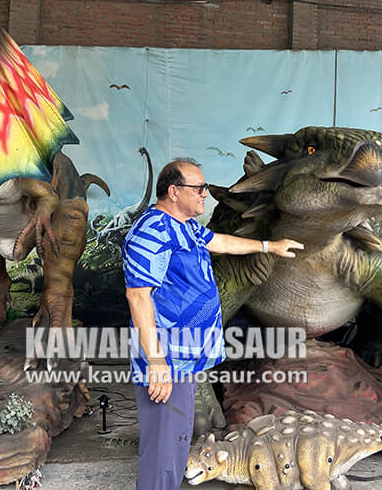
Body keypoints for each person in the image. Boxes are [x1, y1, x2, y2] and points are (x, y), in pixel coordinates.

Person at [122, 158, 304, 490]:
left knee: (176, 440)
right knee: (162, 449)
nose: (206, 193)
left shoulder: (186, 226)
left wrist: (269, 246)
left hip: (188, 356)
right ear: (174, 192)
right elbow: (138, 297)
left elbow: (218, 242)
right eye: (199, 188)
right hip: (168, 359)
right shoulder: (152, 231)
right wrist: (157, 362)